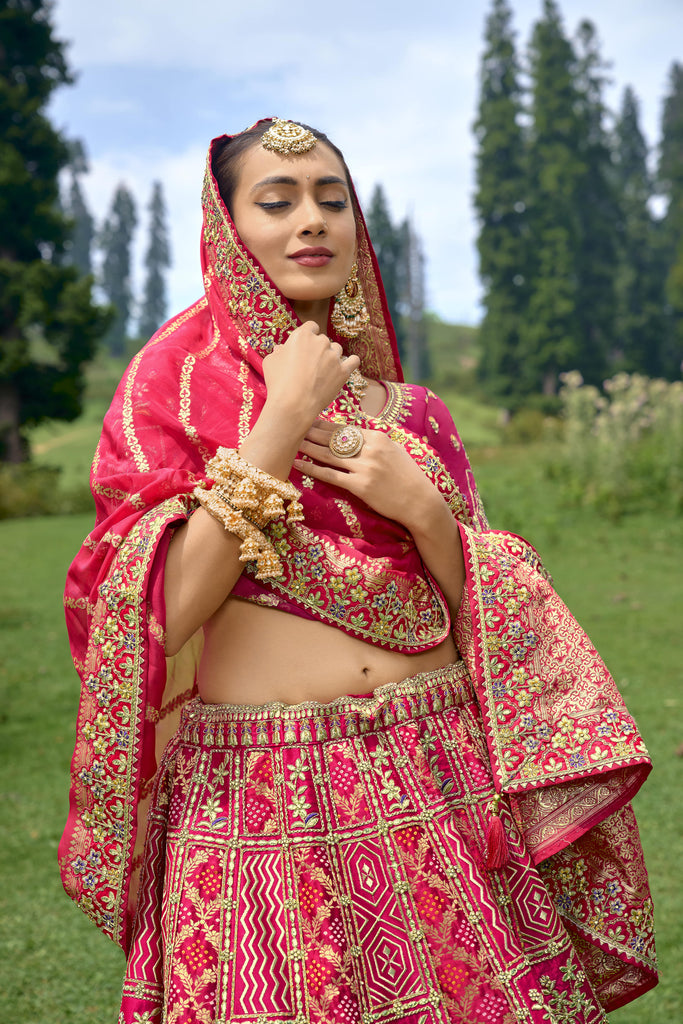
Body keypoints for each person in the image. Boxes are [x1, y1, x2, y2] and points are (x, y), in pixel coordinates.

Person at [60, 118, 657, 1024]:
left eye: (332, 201)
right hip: (262, 801)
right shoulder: (173, 395)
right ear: (226, 229)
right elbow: (158, 613)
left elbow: (489, 616)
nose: (312, 221)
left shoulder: (416, 417)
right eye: (278, 201)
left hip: (441, 780)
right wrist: (279, 421)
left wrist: (423, 512)